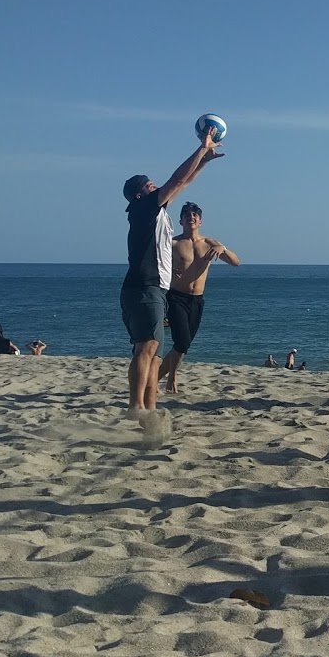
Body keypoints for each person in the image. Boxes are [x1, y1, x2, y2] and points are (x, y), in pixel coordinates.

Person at [121, 134, 222, 434]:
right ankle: (134, 406)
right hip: (143, 286)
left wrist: (203, 162)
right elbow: (177, 180)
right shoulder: (143, 209)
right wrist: (201, 147)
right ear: (141, 194)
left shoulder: (157, 212)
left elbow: (183, 183)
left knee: (154, 356)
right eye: (151, 186)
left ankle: (149, 412)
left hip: (156, 290)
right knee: (147, 346)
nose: (157, 188)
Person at [158, 202, 240, 393]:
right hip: (176, 297)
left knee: (183, 345)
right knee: (182, 342)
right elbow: (155, 266)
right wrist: (169, 272)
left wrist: (223, 248)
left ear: (200, 221)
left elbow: (236, 262)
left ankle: (153, 380)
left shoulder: (210, 244)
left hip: (197, 300)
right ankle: (172, 378)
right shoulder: (172, 243)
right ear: (181, 220)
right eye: (187, 215)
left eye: (195, 215)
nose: (191, 217)